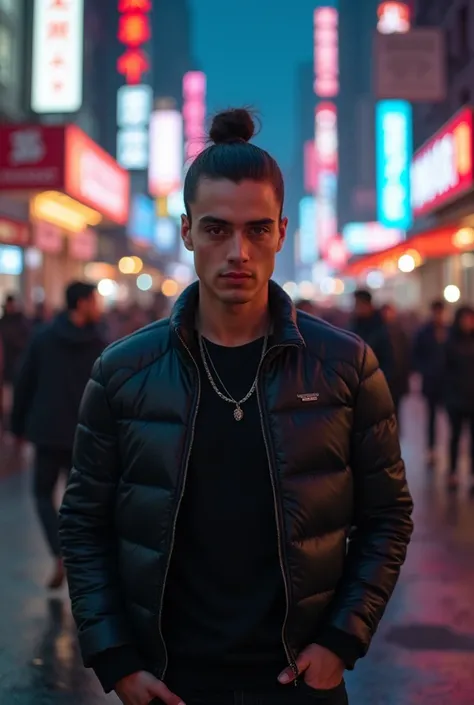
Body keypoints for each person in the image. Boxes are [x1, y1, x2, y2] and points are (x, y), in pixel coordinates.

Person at [59, 109, 413, 705]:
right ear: (187, 232)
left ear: (281, 231)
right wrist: (115, 657)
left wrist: (340, 643)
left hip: (300, 680)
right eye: (217, 229)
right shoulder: (124, 371)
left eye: (257, 229)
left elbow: (387, 516)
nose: (238, 252)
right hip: (170, 681)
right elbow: (85, 523)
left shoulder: (344, 366)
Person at [11, 281, 104, 588]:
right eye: (94, 300)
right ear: (81, 303)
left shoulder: (43, 337)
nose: (99, 306)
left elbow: (24, 383)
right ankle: (83, 561)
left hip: (48, 431)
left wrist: (17, 428)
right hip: (85, 433)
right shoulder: (99, 342)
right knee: (81, 502)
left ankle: (60, 552)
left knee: (42, 495)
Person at [412, 300, 448, 463]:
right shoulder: (424, 332)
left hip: (448, 382)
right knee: (431, 416)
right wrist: (425, 370)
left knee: (451, 417)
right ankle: (431, 448)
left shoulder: (449, 331)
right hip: (431, 381)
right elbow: (416, 355)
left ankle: (448, 448)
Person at [443, 305, 474, 491]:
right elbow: (444, 370)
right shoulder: (451, 342)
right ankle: (452, 472)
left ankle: (471, 475)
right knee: (454, 436)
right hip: (455, 398)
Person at [349, 290, 394, 386]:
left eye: (359, 304)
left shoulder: (381, 328)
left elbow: (388, 360)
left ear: (368, 305)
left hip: (376, 382)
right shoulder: (353, 326)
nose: (356, 308)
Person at [0, 294, 30, 429]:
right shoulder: (4, 322)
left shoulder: (22, 323)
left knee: (14, 401)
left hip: (16, 367)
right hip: (5, 369)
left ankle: (13, 429)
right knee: (6, 404)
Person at [380, 303, 411, 425]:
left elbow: (406, 356)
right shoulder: (379, 333)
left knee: (396, 408)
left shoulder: (400, 332)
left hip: (398, 378)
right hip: (384, 378)